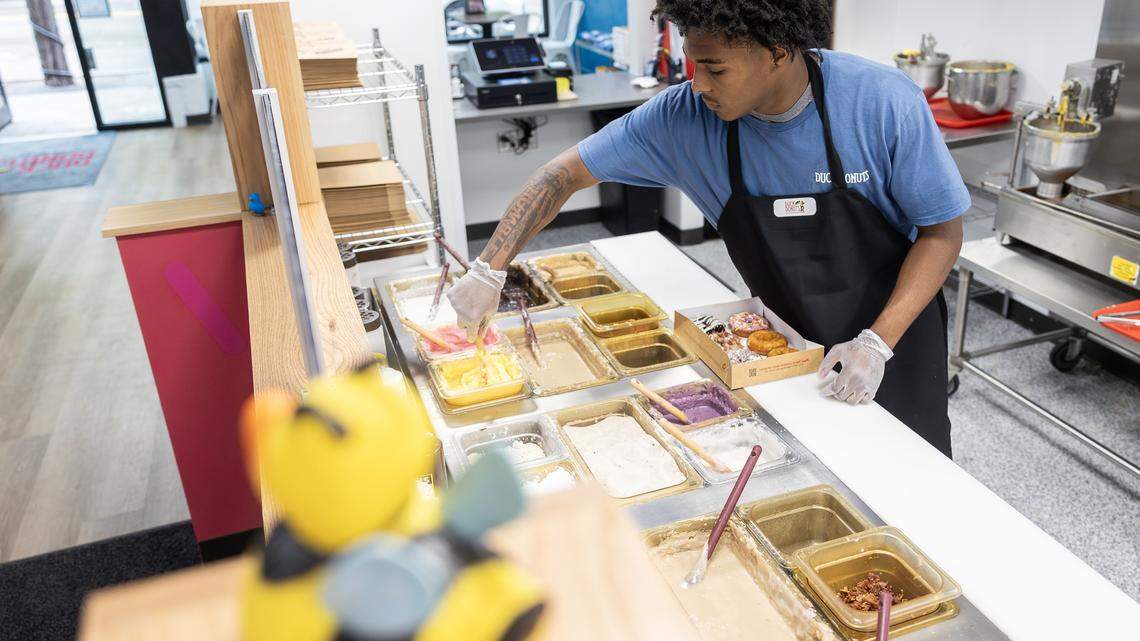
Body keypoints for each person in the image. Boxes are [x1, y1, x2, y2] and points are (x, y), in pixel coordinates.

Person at [447, 0, 967, 457]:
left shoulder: (879, 102)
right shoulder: (684, 119)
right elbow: (560, 175)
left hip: (893, 346)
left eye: (715, 69)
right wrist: (488, 269)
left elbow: (942, 234)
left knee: (915, 495)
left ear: (779, 50)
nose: (699, 85)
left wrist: (876, 343)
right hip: (779, 355)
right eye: (693, 65)